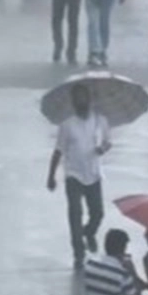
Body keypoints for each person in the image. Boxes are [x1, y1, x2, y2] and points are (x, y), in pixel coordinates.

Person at [47, 83, 111, 268]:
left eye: (84, 97)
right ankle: (78, 251)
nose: (81, 101)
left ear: (90, 100)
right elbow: (58, 151)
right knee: (75, 213)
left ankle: (89, 232)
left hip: (94, 174)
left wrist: (102, 148)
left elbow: (108, 142)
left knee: (98, 213)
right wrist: (51, 176)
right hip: (73, 175)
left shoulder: (101, 121)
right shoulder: (67, 125)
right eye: (77, 98)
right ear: (73, 101)